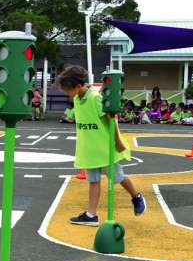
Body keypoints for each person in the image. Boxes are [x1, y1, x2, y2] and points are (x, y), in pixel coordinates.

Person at [56, 65, 146, 226]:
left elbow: (112, 120)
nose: (65, 93)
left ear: (77, 86)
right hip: (90, 148)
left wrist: (117, 142)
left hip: (104, 147)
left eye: (66, 89)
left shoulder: (95, 98)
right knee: (93, 180)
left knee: (118, 177)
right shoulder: (77, 99)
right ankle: (91, 215)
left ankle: (136, 197)